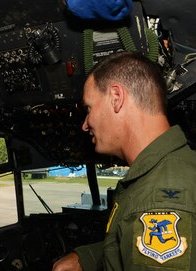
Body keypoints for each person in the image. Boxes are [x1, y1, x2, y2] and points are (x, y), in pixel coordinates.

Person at [53, 51, 196, 270]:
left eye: (89, 108)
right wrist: (87, 258)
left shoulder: (158, 201)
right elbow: (131, 244)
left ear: (116, 98)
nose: (85, 124)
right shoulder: (172, 169)